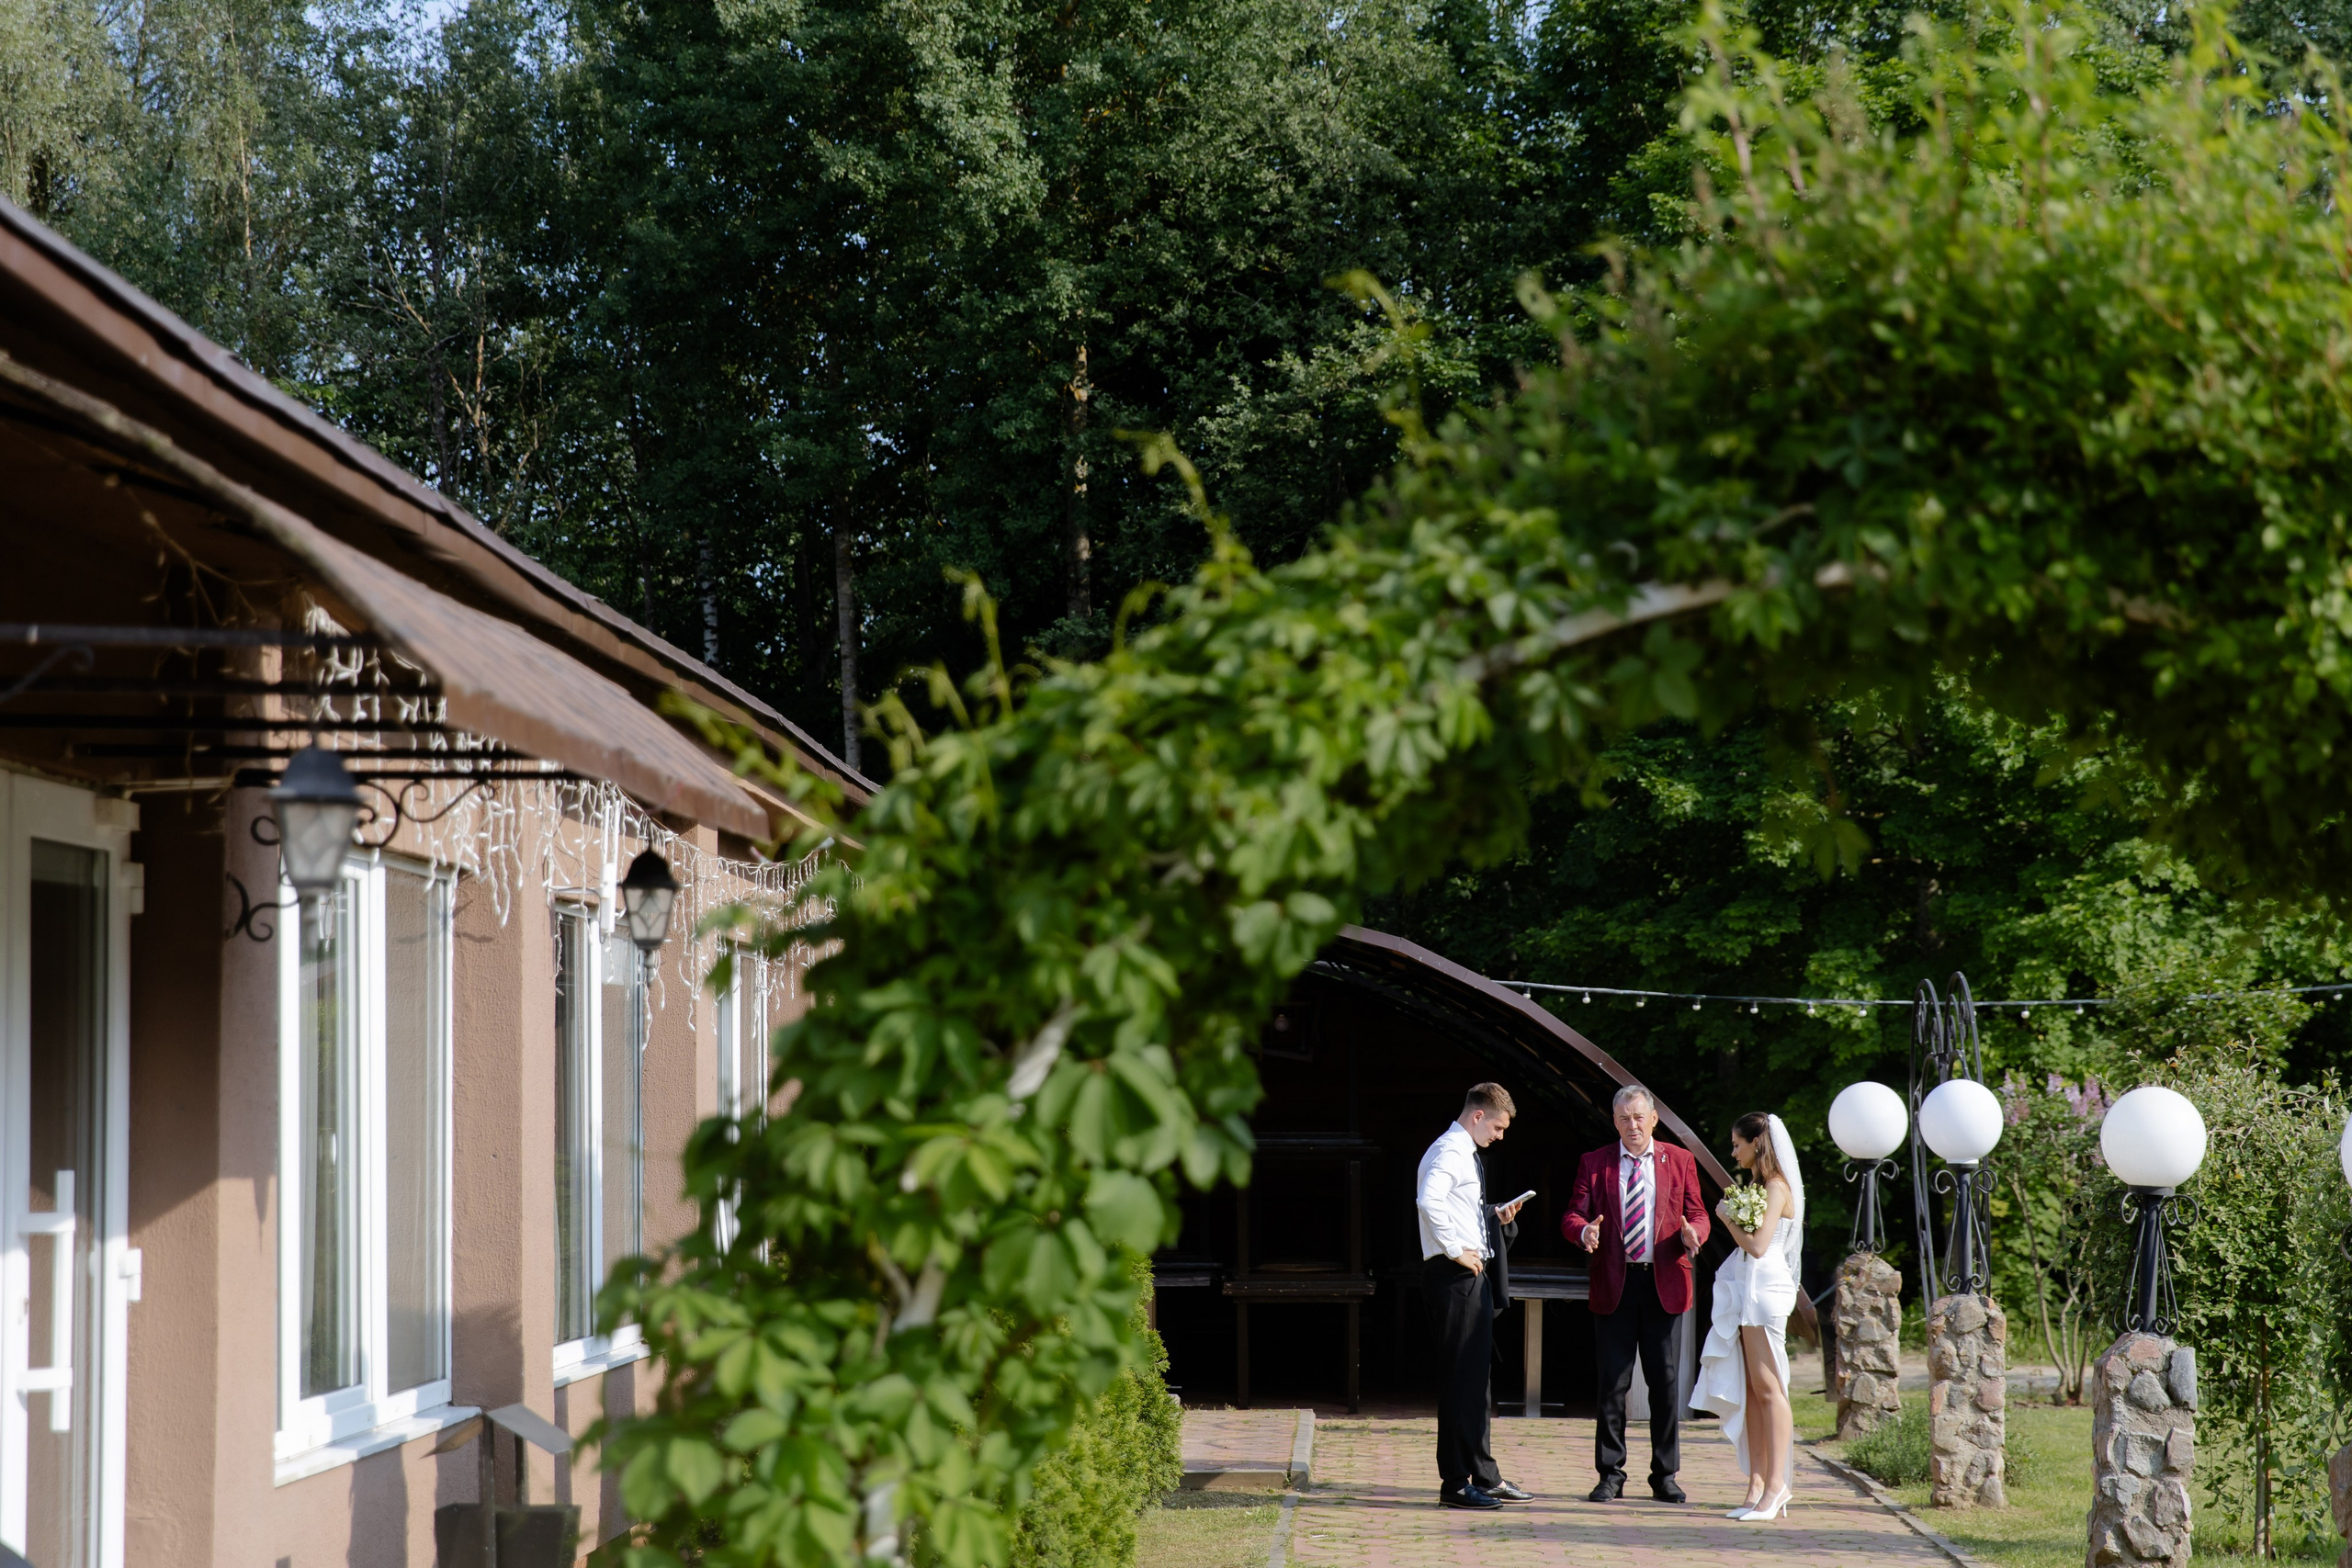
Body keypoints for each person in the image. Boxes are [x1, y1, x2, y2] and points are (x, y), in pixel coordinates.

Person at [1562, 1084, 1711, 1503]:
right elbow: (1572, 1214)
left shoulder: (1679, 1160)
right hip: (1615, 1284)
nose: (1633, 1125)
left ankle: (1665, 1476)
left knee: (1665, 1385)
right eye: (1624, 1118)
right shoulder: (1595, 1162)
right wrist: (1583, 1231)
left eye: (1639, 1117)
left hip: (1664, 1283)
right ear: (1614, 1121)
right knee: (1613, 1385)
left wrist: (1695, 1234)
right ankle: (1610, 1474)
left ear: (1654, 1119)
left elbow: (1698, 1213)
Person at [1415, 1082, 1532, 1510]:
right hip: (1454, 1277)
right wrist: (1454, 1249)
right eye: (1498, 1127)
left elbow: (1452, 1207)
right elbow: (1428, 1201)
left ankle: (1483, 1474)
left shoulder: (1462, 1152)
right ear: (1478, 1115)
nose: (1500, 1136)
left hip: (1466, 1276)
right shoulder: (1450, 1150)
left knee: (1476, 1382)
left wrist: (1491, 1217)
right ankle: (1455, 1483)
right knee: (1461, 1382)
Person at [1693, 1111, 1804, 1521]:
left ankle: (1777, 1486)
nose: (1733, 1151)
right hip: (1749, 1289)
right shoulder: (1761, 1186)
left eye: (1737, 1144)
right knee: (1756, 1391)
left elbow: (1757, 1246)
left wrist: (1727, 1219)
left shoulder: (1776, 1187)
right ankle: (1758, 1484)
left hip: (1766, 1290)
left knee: (1771, 1389)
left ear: (1757, 1143)